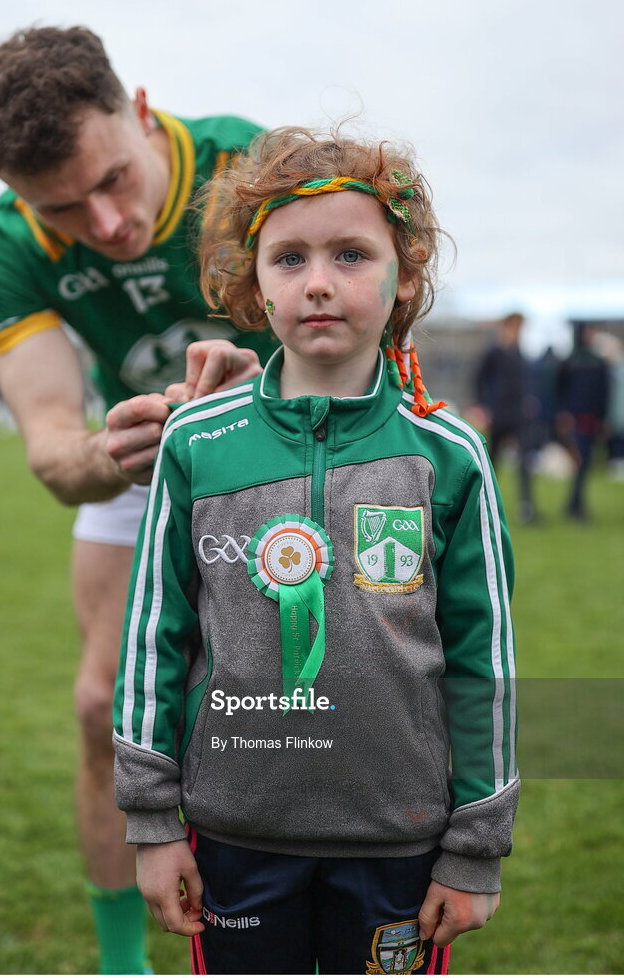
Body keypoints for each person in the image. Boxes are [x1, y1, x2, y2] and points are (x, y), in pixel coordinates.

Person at [113, 127, 519, 974]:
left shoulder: (449, 454)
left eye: (351, 254)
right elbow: (153, 639)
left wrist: (476, 846)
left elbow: (487, 663)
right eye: (288, 259)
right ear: (254, 287)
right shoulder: (196, 441)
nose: (320, 283)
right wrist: (153, 827)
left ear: (405, 276)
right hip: (231, 839)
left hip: (400, 847)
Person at [0, 25, 276, 974]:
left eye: (113, 181)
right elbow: (55, 451)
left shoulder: (250, 168)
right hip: (136, 457)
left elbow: (357, 326)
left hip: (284, 455)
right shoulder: (3, 247)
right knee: (102, 707)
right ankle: (120, 965)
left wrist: (267, 385)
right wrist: (113, 450)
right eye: (63, 208)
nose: (104, 224)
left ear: (139, 112)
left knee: (296, 711)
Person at [475, 312, 539, 523]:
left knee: (525, 461)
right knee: (493, 462)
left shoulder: (519, 352)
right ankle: (482, 505)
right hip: (499, 414)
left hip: (518, 415)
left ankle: (527, 507)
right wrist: (484, 406)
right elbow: (479, 379)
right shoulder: (494, 351)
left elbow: (523, 382)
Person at [556, 323, 610, 520]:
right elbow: (560, 391)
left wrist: (603, 419)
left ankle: (575, 503)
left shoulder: (598, 362)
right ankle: (575, 504)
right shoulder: (570, 361)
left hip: (591, 420)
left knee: (585, 462)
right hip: (575, 421)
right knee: (580, 460)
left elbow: (604, 392)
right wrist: (563, 415)